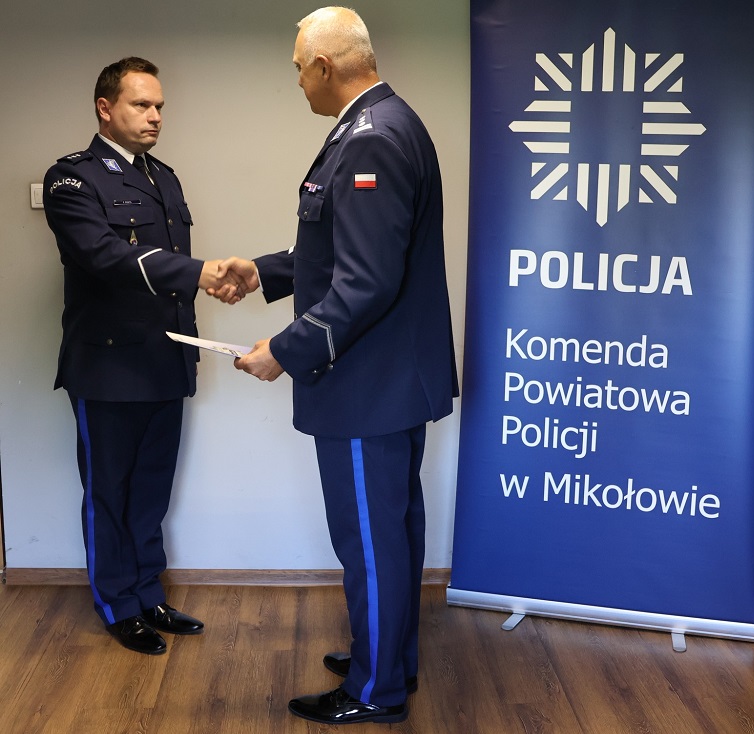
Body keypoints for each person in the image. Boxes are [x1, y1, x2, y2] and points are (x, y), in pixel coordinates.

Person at [216, 7, 458, 726]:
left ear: (325, 66)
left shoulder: (370, 138)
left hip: (365, 385)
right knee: (393, 532)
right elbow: (340, 249)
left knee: (371, 540)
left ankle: (376, 690)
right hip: (388, 381)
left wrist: (283, 352)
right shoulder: (384, 122)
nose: (297, 81)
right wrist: (263, 272)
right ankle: (390, 660)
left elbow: (366, 283)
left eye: (299, 68)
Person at [42, 57, 246, 655]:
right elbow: (104, 256)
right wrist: (201, 272)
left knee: (152, 489)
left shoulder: (164, 177)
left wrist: (205, 283)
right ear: (105, 108)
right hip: (108, 367)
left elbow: (167, 271)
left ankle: (147, 593)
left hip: (166, 358)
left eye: (159, 106)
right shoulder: (72, 179)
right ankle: (116, 604)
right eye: (141, 104)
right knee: (109, 490)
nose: (155, 116)